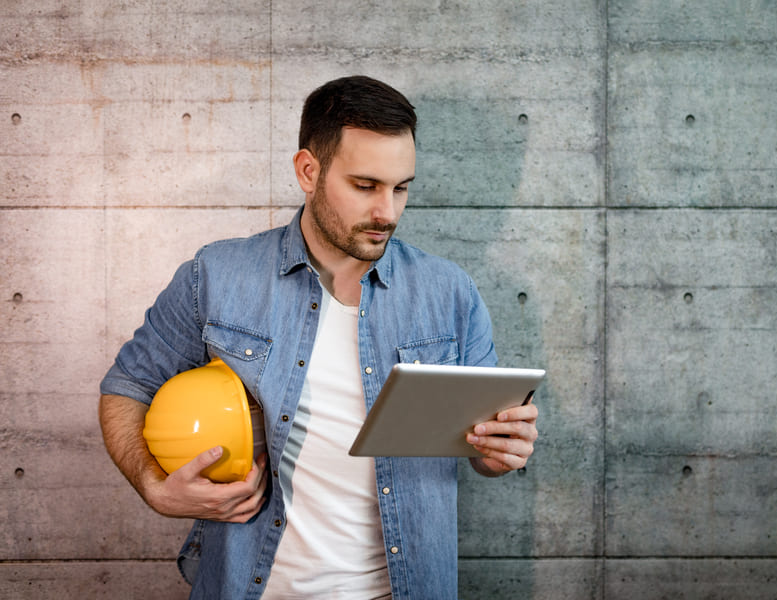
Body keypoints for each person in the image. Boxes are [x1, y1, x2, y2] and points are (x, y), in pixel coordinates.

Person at [98, 75, 539, 600]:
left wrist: (499, 451)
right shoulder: (215, 276)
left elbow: (485, 450)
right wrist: (155, 489)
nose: (388, 212)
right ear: (308, 171)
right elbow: (127, 387)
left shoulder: (450, 294)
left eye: (401, 188)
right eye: (365, 185)